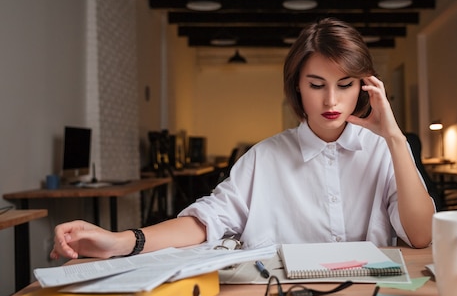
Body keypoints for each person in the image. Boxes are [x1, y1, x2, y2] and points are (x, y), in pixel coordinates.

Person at [50, 18, 435, 261]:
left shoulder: (383, 152)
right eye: (316, 85)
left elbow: (421, 237)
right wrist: (120, 241)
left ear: (365, 89)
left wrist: (395, 138)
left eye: (345, 85)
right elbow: (205, 223)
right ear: (298, 88)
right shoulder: (264, 158)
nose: (331, 100)